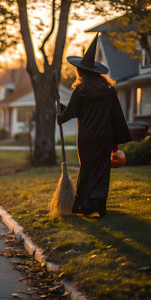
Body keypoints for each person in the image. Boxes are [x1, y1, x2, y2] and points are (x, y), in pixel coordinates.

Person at [58, 34, 131, 218]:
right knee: (101, 169)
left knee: (87, 168)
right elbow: (116, 116)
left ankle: (83, 205)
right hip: (104, 137)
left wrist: (59, 113)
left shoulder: (80, 90)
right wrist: (117, 140)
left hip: (86, 138)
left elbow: (70, 113)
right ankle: (97, 204)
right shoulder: (108, 91)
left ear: (81, 71)